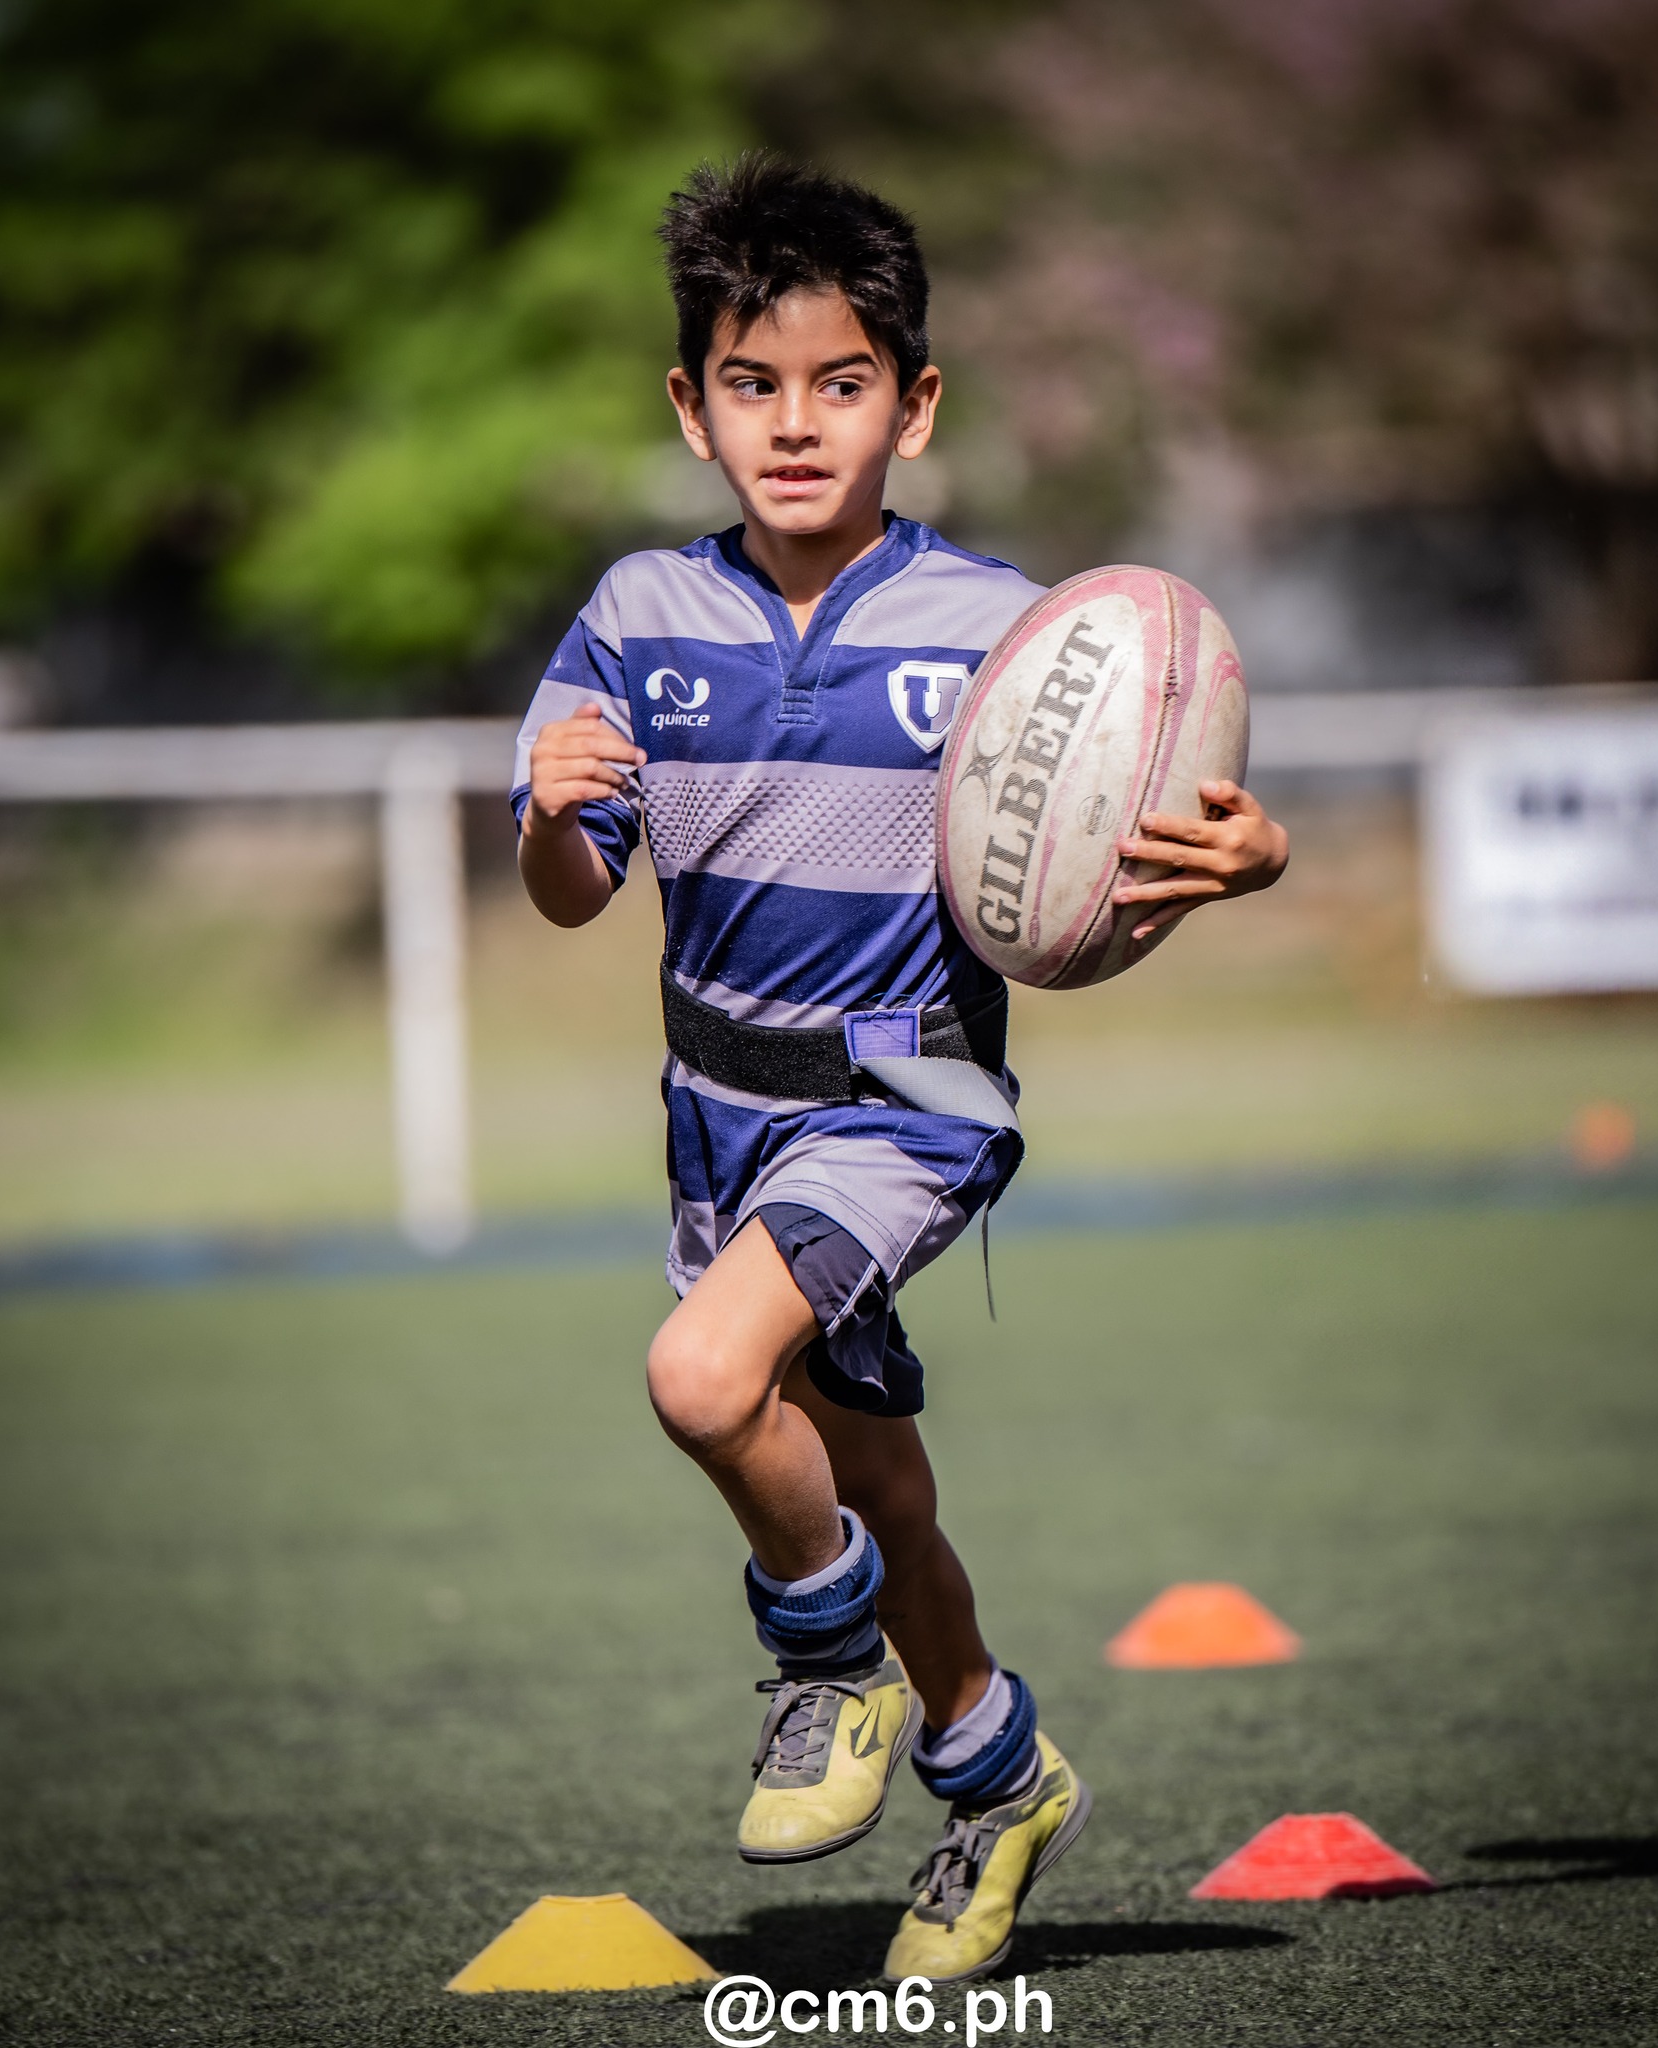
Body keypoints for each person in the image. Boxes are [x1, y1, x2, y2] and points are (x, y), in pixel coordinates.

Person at [512, 153, 1289, 1984]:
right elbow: (568, 894)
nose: (797, 424)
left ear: (913, 404)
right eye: (753, 384)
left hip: (913, 1098)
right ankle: (1002, 1780)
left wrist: (1249, 859)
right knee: (891, 1498)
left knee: (705, 1381)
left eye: (840, 382)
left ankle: (825, 1666)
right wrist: (550, 822)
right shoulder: (635, 619)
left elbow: (1137, 832)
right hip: (718, 1115)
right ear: (689, 407)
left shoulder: (1011, 631)